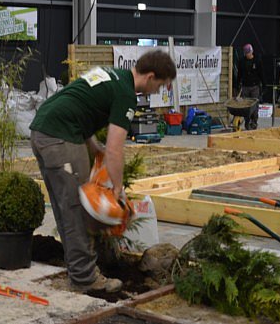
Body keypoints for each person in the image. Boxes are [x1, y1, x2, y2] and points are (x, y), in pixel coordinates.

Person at [29, 50, 176, 293]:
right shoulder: (126, 95)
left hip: (42, 131)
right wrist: (117, 189)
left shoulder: (111, 75)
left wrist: (93, 146)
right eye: (160, 86)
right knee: (77, 210)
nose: (158, 91)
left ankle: (77, 270)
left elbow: (78, 104)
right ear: (150, 77)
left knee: (64, 206)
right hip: (60, 137)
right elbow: (116, 149)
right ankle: (85, 280)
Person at [237, 44, 263, 129]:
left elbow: (261, 73)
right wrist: (237, 83)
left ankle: (254, 121)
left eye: (248, 53)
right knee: (246, 105)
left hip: (255, 86)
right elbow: (239, 73)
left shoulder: (257, 61)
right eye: (246, 53)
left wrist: (264, 84)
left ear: (251, 52)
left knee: (254, 104)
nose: (247, 54)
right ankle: (247, 121)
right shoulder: (242, 61)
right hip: (245, 86)